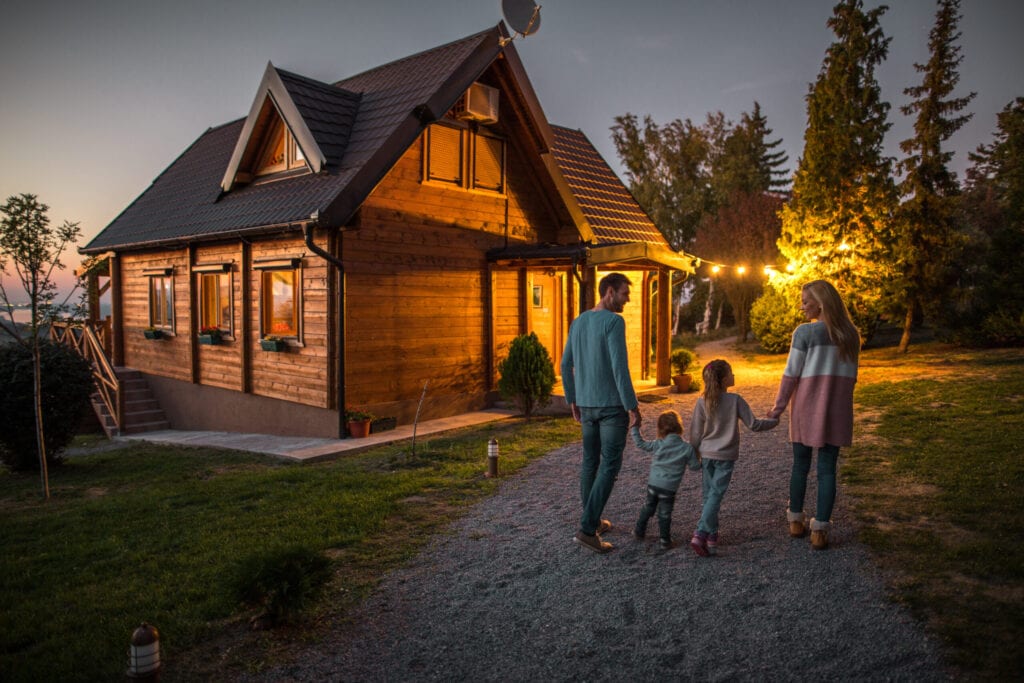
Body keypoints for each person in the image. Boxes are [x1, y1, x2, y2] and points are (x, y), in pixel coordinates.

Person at [767, 280, 860, 550]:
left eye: (805, 301)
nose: (802, 306)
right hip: (837, 410)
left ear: (820, 302)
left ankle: (796, 521)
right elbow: (851, 378)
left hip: (806, 408)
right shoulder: (851, 334)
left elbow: (791, 375)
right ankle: (820, 530)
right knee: (827, 470)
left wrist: (778, 408)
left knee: (800, 465)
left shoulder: (805, 333)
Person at [561, 272, 641, 554]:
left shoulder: (579, 321)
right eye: (624, 294)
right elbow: (620, 369)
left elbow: (564, 364)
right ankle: (586, 529)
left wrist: (572, 398)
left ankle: (591, 522)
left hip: (586, 405)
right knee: (609, 465)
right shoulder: (613, 322)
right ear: (609, 292)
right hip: (611, 407)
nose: (627, 299)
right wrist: (632, 405)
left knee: (589, 463)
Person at [689, 359, 778, 557]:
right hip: (725, 456)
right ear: (723, 379)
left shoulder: (701, 402)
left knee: (709, 496)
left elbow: (695, 433)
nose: (734, 375)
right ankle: (700, 532)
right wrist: (774, 421)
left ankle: (712, 539)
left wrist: (693, 454)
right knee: (715, 496)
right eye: (731, 372)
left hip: (706, 455)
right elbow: (754, 424)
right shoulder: (735, 400)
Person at [630, 410, 700, 549]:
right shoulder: (687, 448)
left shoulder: (658, 444)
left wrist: (634, 428)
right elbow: (695, 467)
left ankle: (639, 531)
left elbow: (641, 444)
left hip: (653, 484)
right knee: (665, 513)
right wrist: (701, 457)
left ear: (660, 429)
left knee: (648, 507)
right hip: (669, 488)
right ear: (679, 427)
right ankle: (665, 541)